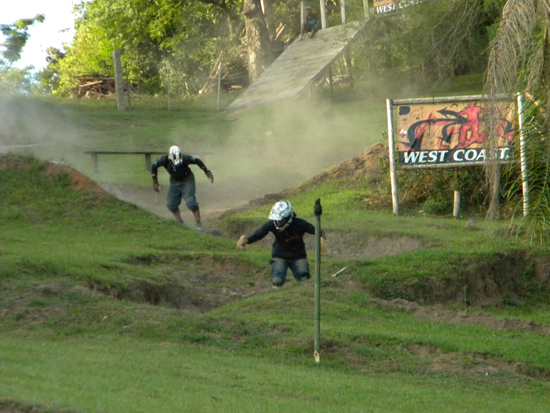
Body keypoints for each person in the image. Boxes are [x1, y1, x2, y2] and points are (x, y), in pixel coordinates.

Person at [237, 200, 327, 288]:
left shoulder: (300, 224)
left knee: (304, 278)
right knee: (277, 280)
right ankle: (276, 298)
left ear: (289, 217)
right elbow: (259, 234)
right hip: (280, 256)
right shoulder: (271, 224)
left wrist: (321, 237)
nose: (278, 222)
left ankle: (304, 297)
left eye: (281, 219)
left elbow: (315, 230)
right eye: (276, 219)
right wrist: (247, 240)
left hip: (298, 256)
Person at [151, 146, 214, 231]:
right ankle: (180, 223)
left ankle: (199, 224)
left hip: (187, 179)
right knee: (171, 205)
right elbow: (154, 166)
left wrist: (207, 172)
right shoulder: (163, 160)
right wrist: (155, 182)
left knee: (191, 201)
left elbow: (197, 161)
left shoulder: (186, 159)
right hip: (174, 181)